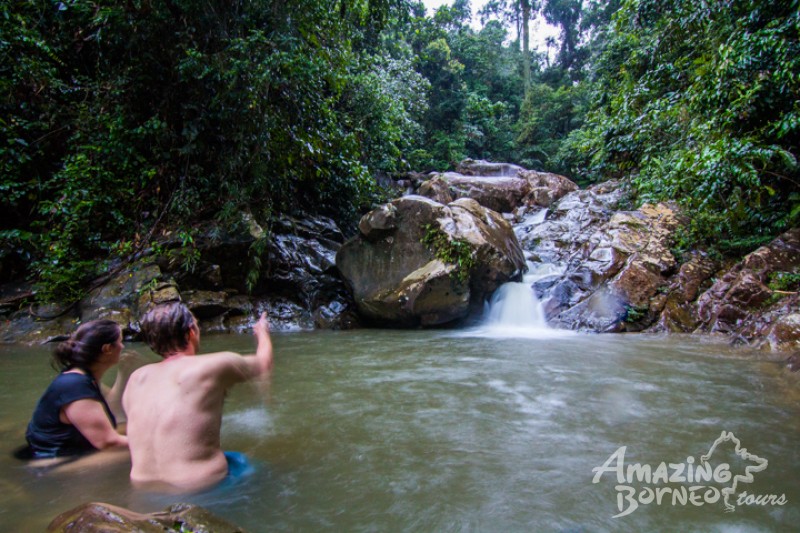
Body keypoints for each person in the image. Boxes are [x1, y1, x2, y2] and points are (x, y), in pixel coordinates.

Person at [122, 302, 273, 491]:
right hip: (200, 487)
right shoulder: (215, 365)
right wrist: (262, 332)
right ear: (190, 332)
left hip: (143, 487)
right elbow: (263, 363)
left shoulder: (136, 379)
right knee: (269, 472)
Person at [24, 319, 130, 459]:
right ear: (107, 349)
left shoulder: (82, 376)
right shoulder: (75, 386)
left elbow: (114, 413)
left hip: (62, 454)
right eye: (120, 341)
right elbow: (109, 442)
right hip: (53, 462)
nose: (123, 346)